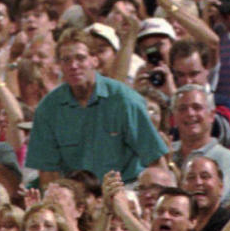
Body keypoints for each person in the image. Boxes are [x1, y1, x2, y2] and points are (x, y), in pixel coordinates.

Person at [26, 28, 168, 184]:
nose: (73, 65)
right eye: (66, 60)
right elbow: (47, 172)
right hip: (77, 194)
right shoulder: (48, 109)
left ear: (94, 60)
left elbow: (155, 159)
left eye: (80, 58)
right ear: (59, 65)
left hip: (126, 188)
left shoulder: (124, 100)